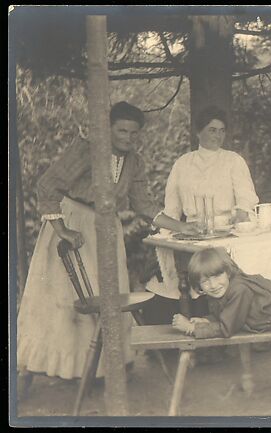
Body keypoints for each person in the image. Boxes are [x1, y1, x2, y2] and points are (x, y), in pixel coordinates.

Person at [17, 101, 160, 383]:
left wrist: (182, 227)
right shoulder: (87, 150)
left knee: (108, 294)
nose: (127, 138)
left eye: (134, 133)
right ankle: (58, 368)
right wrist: (63, 230)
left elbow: (145, 205)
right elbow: (47, 185)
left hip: (107, 230)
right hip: (73, 226)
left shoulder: (135, 162)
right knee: (63, 301)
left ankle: (99, 370)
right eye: (121, 131)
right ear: (108, 128)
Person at [146, 105, 259, 324]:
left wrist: (241, 214)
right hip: (194, 231)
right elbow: (172, 207)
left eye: (222, 130)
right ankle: (196, 323)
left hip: (227, 231)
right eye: (212, 130)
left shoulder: (233, 160)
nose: (218, 135)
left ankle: (229, 323)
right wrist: (166, 231)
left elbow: (246, 197)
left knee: (224, 273)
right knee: (184, 270)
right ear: (198, 132)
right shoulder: (183, 163)